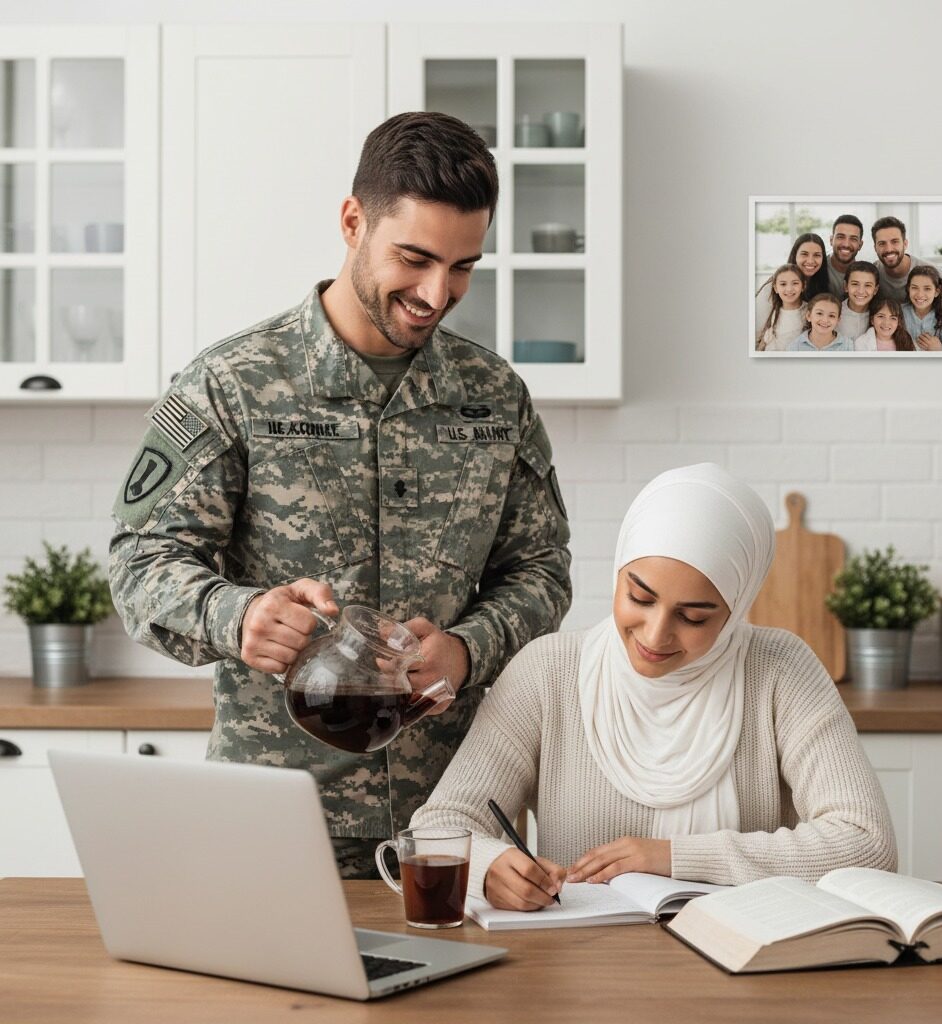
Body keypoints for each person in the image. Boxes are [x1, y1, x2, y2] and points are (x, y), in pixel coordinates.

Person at [108, 111, 573, 879]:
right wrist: (239, 615)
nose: (436, 293)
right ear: (353, 221)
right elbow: (138, 564)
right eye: (415, 258)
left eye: (462, 267)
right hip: (273, 823)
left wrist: (467, 647)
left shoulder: (496, 397)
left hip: (454, 825)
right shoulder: (232, 384)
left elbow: (543, 572)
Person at [411, 463, 896, 909]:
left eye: (693, 616)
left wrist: (675, 857)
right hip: (581, 972)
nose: (655, 634)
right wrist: (488, 868)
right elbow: (440, 827)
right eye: (639, 597)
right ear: (617, 573)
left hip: (752, 972)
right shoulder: (547, 672)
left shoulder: (780, 670)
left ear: (736, 608)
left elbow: (867, 843)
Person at [755, 234, 829, 335]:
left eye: (817, 255)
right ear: (795, 255)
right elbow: (756, 330)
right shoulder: (771, 288)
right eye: (804, 254)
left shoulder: (822, 286)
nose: (811, 261)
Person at [871, 216, 933, 303]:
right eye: (882, 243)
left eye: (895, 242)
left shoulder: (932, 273)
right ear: (875, 248)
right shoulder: (871, 274)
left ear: (905, 244)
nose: (889, 249)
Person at [755, 264, 806, 352]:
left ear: (803, 286)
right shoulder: (773, 311)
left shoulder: (809, 310)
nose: (789, 289)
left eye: (795, 283)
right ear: (776, 288)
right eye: (783, 284)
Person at [787, 292, 855, 352]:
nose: (825, 320)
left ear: (838, 320)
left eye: (831, 316)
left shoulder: (848, 346)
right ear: (808, 316)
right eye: (819, 313)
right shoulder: (795, 347)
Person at [901, 264, 942, 351]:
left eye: (927, 289)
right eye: (914, 288)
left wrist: (939, 349)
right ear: (908, 289)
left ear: (936, 292)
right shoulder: (898, 312)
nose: (920, 294)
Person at [837, 260, 880, 341]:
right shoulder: (834, 312)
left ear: (875, 290)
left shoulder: (880, 316)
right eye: (855, 284)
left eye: (868, 285)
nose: (860, 291)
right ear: (846, 286)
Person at [825, 215, 865, 298]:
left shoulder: (866, 275)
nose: (846, 244)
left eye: (853, 239)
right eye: (840, 237)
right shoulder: (817, 268)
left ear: (860, 245)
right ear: (831, 240)